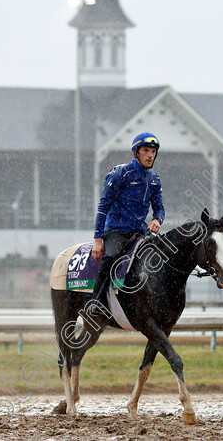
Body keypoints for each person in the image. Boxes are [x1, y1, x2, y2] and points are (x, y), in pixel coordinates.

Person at [87, 132, 164, 317]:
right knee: (111, 257)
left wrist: (157, 220)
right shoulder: (120, 174)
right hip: (116, 231)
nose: (150, 155)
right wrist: (98, 239)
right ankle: (96, 302)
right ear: (136, 152)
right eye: (146, 150)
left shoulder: (154, 179)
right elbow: (103, 207)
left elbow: (159, 209)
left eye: (153, 151)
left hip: (140, 232)